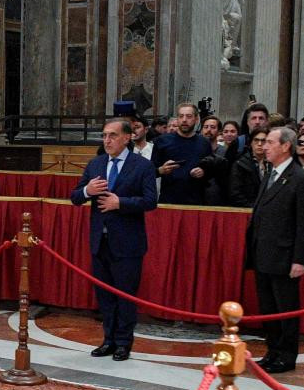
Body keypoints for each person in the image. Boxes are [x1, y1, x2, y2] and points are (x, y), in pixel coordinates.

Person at [70, 119, 158, 361]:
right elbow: (75, 197)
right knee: (105, 296)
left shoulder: (142, 166)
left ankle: (123, 343)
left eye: (112, 135)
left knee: (125, 295)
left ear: (127, 137)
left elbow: (151, 201)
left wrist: (121, 203)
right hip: (100, 241)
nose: (106, 140)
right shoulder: (96, 163)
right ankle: (108, 339)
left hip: (128, 243)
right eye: (104, 135)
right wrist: (88, 190)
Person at [244, 127, 304, 374]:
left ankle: (286, 355)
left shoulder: (301, 177)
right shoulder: (270, 174)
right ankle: (273, 350)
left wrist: (300, 260)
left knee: (286, 309)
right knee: (269, 308)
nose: (264, 146)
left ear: (286, 146)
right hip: (263, 254)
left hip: (285, 256)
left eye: (270, 142)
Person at [152, 102, 210, 205]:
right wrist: (161, 170)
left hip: (196, 202)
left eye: (188, 116)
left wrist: (203, 171)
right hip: (169, 201)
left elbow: (210, 169)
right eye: (181, 116)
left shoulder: (204, 143)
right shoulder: (162, 141)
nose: (184, 120)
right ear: (177, 119)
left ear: (196, 119)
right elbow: (150, 172)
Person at [226, 128, 269, 208]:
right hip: (247, 210)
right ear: (251, 143)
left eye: (263, 141)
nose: (259, 144)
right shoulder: (240, 164)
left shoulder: (273, 164)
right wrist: (253, 207)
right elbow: (235, 193)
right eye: (256, 140)